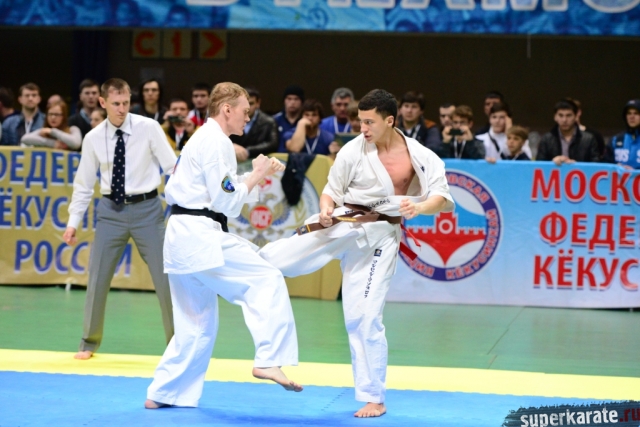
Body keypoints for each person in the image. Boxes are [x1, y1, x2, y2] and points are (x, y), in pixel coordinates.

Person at [260, 89, 454, 418]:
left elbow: (441, 197)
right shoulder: (353, 149)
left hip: (381, 238)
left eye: (369, 122)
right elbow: (330, 192)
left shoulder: (421, 155)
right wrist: (325, 209)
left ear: (389, 121)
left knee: (364, 318)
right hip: (342, 222)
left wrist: (419, 207)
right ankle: (232, 265)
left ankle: (374, 397)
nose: (362, 128)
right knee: (273, 260)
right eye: (360, 121)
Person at [144, 82, 302, 410]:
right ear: (227, 109)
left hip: (182, 235)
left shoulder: (203, 138)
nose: (248, 117)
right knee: (266, 278)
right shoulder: (217, 142)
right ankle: (269, 359)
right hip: (200, 235)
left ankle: (164, 392)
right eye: (245, 111)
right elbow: (226, 200)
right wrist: (257, 174)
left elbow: (220, 190)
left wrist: (253, 176)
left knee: (196, 323)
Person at [62, 78, 176, 360]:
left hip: (148, 209)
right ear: (103, 102)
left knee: (166, 278)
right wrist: (73, 223)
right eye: (115, 103)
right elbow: (83, 184)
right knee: (97, 278)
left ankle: (178, 345)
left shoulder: (149, 127)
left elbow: (173, 168)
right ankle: (88, 342)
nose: (122, 109)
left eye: (126, 102)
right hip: (110, 212)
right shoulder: (92, 138)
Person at [537, 99, 599, 165]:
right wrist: (552, 163)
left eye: (569, 115)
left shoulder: (589, 139)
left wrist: (577, 165)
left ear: (576, 117)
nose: (564, 120)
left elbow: (596, 165)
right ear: (555, 117)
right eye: (561, 115)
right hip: (554, 171)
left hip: (580, 171)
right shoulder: (546, 139)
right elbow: (538, 165)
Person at [230, 87, 278, 161]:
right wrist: (232, 146)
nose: (247, 108)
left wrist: (247, 151)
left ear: (258, 103)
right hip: (235, 162)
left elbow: (272, 144)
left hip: (259, 162)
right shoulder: (231, 120)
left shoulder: (268, 122)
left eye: (251, 103)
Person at [604, 99, 640, 170]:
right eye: (629, 113)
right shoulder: (616, 140)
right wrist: (615, 167)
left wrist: (635, 172)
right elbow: (605, 164)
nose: (631, 117)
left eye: (636, 113)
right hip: (619, 177)